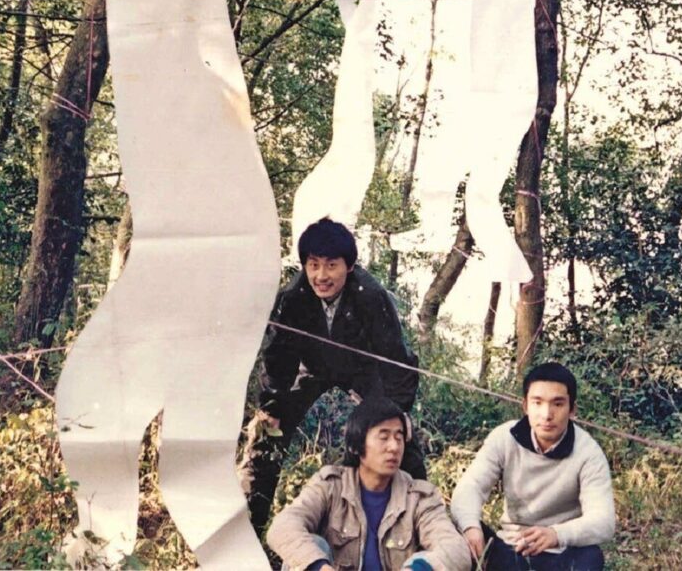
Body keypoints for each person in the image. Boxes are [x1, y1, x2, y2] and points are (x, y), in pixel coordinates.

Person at [240, 218, 424, 532]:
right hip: (310, 368)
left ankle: (420, 519)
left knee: (396, 435)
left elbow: (396, 360)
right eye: (313, 265)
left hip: (361, 372)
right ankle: (246, 529)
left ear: (349, 266)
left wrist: (398, 411)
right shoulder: (294, 296)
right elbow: (279, 355)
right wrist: (270, 405)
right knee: (265, 431)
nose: (321, 276)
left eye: (331, 265)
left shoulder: (370, 295)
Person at [268, 397, 470, 571]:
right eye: (384, 437)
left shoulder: (418, 497)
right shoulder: (330, 486)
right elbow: (283, 527)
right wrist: (319, 566)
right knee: (313, 546)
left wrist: (419, 568)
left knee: (422, 561)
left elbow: (455, 548)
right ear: (356, 446)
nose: (394, 447)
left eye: (399, 438)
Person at [451, 363, 615, 571]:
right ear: (525, 406)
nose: (547, 414)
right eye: (537, 403)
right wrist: (471, 527)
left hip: (561, 550)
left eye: (558, 404)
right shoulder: (504, 438)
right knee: (456, 532)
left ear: (572, 409)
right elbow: (470, 486)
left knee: (591, 557)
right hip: (510, 547)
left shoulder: (587, 452)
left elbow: (603, 520)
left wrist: (556, 534)